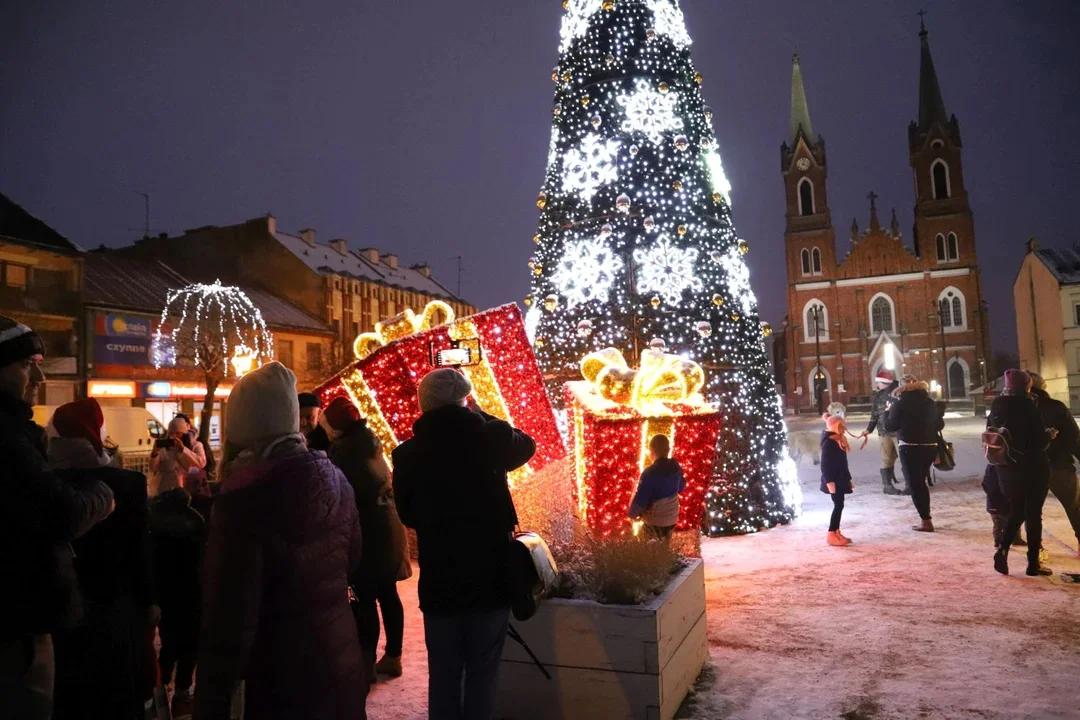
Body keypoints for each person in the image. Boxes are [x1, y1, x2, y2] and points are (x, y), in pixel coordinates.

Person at [194, 362, 366, 720]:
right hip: (338, 662)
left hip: (278, 683)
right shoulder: (336, 481)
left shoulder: (242, 503)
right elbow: (351, 561)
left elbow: (229, 621)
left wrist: (211, 702)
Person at [392, 369, 535, 720]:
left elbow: (408, 514)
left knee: (443, 676)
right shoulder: (490, 438)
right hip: (491, 579)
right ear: (465, 400)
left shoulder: (407, 454)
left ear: (424, 405)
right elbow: (527, 444)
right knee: (482, 677)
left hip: (441, 582)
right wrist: (481, 414)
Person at [0, 315, 115, 719]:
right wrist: (103, 494)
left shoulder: (19, 434)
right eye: (25, 364)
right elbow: (60, 512)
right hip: (16, 630)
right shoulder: (8, 439)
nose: (39, 377)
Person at [47, 399, 156, 720]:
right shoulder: (127, 483)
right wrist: (149, 601)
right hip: (117, 606)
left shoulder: (48, 485)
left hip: (65, 608)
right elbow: (139, 550)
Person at [323, 396, 411, 682]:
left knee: (363, 598)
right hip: (387, 526)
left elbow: (340, 492)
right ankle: (393, 657)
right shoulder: (369, 440)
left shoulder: (345, 451)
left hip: (366, 532)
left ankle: (366, 662)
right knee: (388, 593)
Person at [149, 469, 211, 717]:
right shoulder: (196, 522)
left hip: (167, 596)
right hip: (191, 595)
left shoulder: (157, 526)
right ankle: (182, 696)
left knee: (169, 646)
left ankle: (160, 694)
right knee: (189, 648)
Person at [988, 370, 1053, 576]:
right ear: (1026, 386)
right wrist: (1049, 435)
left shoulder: (997, 406)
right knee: (1034, 514)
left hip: (1006, 469)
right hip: (1033, 468)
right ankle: (1033, 564)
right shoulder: (1027, 406)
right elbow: (1039, 442)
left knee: (1017, 511)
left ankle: (1003, 549)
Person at [1029, 373, 1080, 557]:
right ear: (1043, 387)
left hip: (1031, 468)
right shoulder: (1056, 407)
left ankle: (1036, 549)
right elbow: (1074, 437)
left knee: (1033, 510)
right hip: (1059, 464)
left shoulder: (1020, 408)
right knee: (1075, 505)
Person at [883, 374, 942, 532]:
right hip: (930, 446)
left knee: (916, 485)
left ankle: (926, 520)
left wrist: (887, 412)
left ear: (901, 391)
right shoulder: (930, 403)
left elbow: (890, 426)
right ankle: (926, 518)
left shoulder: (900, 404)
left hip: (910, 447)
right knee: (921, 482)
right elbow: (939, 425)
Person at [627, 434, 685, 543]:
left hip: (655, 520)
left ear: (652, 450)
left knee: (642, 544)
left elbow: (641, 499)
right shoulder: (675, 467)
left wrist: (632, 514)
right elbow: (681, 487)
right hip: (672, 518)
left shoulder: (649, 473)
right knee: (663, 546)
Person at [859, 370, 902, 495]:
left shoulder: (899, 393)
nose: (877, 385)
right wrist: (868, 429)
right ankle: (887, 486)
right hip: (884, 433)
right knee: (887, 458)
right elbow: (875, 415)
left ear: (885, 382)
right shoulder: (878, 396)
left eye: (878, 383)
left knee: (903, 458)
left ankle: (910, 485)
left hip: (898, 432)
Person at [149, 415, 207, 497]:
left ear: (184, 434)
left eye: (178, 433)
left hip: (187, 488)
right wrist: (154, 453)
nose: (174, 436)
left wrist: (184, 449)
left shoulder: (196, 445)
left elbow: (201, 463)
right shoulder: (165, 447)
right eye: (171, 433)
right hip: (165, 489)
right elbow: (153, 468)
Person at [821, 412, 855, 546]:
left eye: (843, 427)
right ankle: (831, 533)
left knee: (840, 505)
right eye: (840, 427)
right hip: (834, 480)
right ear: (833, 427)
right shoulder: (829, 442)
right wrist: (829, 481)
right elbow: (825, 465)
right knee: (838, 505)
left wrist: (849, 479)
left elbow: (843, 463)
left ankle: (836, 531)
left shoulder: (838, 440)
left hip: (840, 478)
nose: (843, 429)